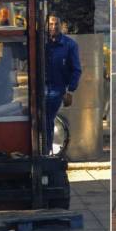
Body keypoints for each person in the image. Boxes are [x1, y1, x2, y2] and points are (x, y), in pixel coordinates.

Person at [45, 14, 82, 155]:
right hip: (41, 87)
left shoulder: (69, 45)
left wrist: (70, 91)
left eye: (56, 24)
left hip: (57, 88)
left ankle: (47, 150)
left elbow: (76, 69)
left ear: (61, 26)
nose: (53, 27)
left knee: (47, 117)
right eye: (50, 24)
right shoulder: (43, 43)